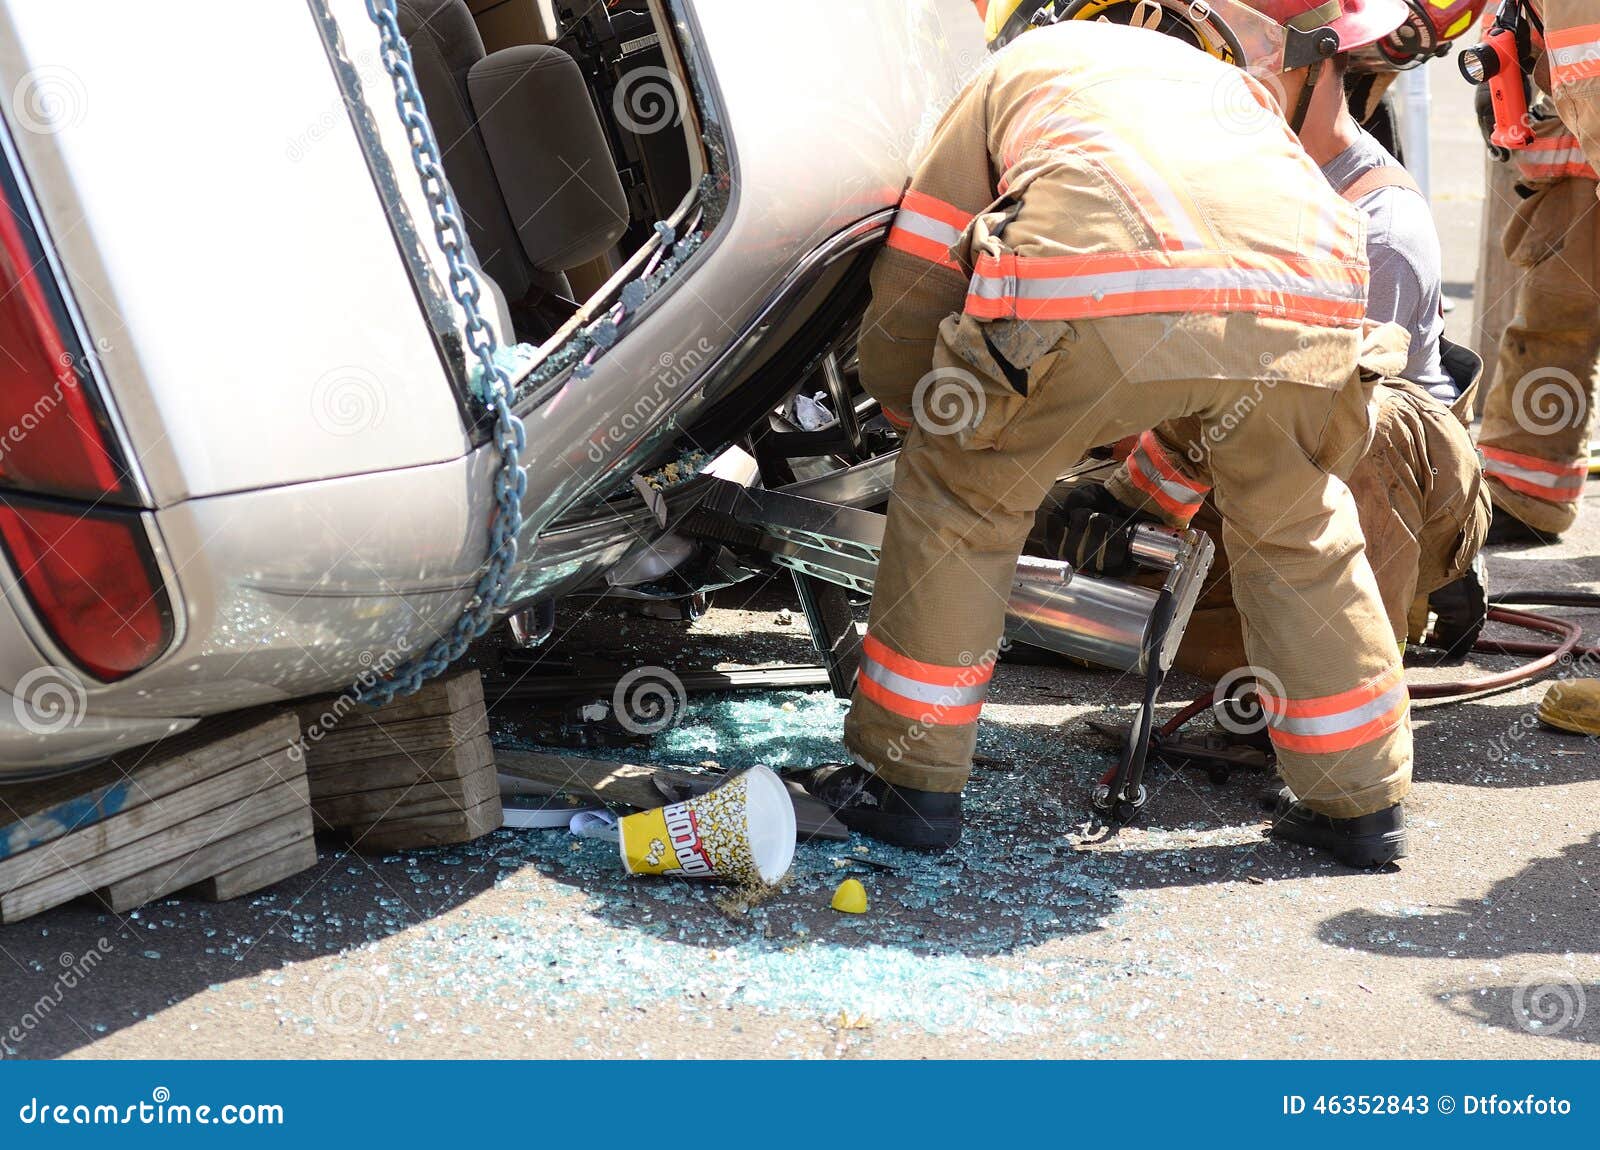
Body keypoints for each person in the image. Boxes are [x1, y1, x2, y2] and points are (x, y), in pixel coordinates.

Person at [807, 3, 1418, 868]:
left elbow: (921, 267)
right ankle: (1359, 807)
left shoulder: (1013, 74)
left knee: (961, 502)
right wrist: (1135, 496)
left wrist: (918, 409)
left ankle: (907, 782)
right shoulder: (1232, 93)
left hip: (1092, 295)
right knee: (1297, 528)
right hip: (1310, 308)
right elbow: (1207, 349)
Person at [1059, 10, 1490, 678]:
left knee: (1358, 407)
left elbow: (1311, 441)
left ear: (1314, 68)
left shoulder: (1377, 227)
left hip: (1335, 506)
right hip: (1219, 494)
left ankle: (1337, 686)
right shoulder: (1213, 186)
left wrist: (1136, 480)